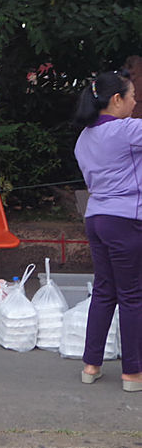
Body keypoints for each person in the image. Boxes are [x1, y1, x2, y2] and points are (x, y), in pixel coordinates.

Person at [72, 70, 142, 393]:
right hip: (125, 220)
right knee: (132, 296)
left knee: (104, 292)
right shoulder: (128, 130)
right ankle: (132, 374)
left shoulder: (83, 139)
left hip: (95, 219)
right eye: (132, 97)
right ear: (117, 100)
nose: (135, 102)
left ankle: (91, 366)